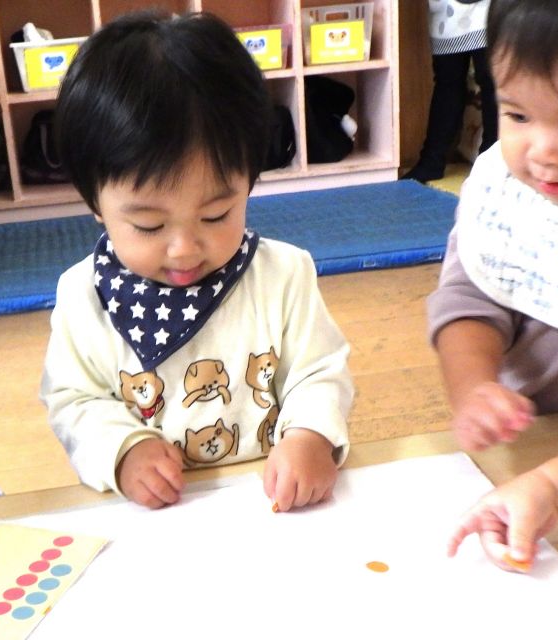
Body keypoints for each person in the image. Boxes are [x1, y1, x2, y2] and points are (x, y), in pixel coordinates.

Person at [40, 11, 353, 512]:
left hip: (270, 505)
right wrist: (123, 451)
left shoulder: (283, 276)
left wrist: (311, 435)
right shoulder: (84, 298)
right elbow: (73, 400)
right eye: (148, 225)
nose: (184, 248)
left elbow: (319, 372)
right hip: (158, 519)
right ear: (96, 204)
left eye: (216, 214)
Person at [427, 0, 558, 570]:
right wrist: (474, 386)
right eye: (517, 114)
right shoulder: (505, 191)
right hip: (523, 435)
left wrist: (553, 488)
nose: (543, 152)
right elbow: (468, 300)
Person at [401, 0, 498, 183]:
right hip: (446, 12)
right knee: (447, 83)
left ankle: (491, 162)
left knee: (491, 82)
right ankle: (432, 160)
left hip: (490, 11)